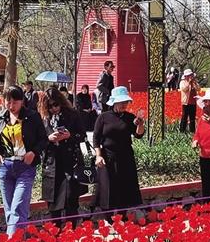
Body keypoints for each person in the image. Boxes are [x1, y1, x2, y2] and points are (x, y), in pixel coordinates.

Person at [0, 86, 48, 237]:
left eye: (15, 102)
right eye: (8, 101)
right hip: (5, 167)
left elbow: (43, 139)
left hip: (25, 167)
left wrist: (33, 152)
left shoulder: (32, 117)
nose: (11, 105)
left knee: (18, 208)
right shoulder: (1, 117)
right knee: (9, 210)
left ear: (22, 101)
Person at [39, 87, 87, 227]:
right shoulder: (43, 119)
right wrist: (49, 138)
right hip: (52, 164)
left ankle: (71, 238)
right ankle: (56, 240)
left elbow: (83, 135)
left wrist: (70, 135)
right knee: (53, 205)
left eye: (56, 105)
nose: (54, 108)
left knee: (71, 201)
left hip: (70, 162)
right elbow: (37, 142)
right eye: (50, 106)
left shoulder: (72, 115)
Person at [93, 86, 145, 214]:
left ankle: (123, 216)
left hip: (125, 156)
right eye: (121, 102)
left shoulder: (129, 117)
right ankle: (108, 217)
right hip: (108, 156)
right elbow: (96, 138)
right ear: (114, 102)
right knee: (108, 186)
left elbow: (138, 135)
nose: (124, 105)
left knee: (125, 186)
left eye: (126, 102)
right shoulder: (104, 117)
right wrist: (98, 156)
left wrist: (140, 124)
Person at [179, 69, 201, 133]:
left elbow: (198, 89)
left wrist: (194, 83)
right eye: (189, 75)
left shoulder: (194, 82)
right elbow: (184, 89)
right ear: (185, 76)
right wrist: (189, 83)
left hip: (193, 102)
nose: (190, 77)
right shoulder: (182, 82)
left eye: (191, 75)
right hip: (186, 102)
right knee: (184, 117)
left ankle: (192, 131)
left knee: (192, 118)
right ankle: (182, 131)